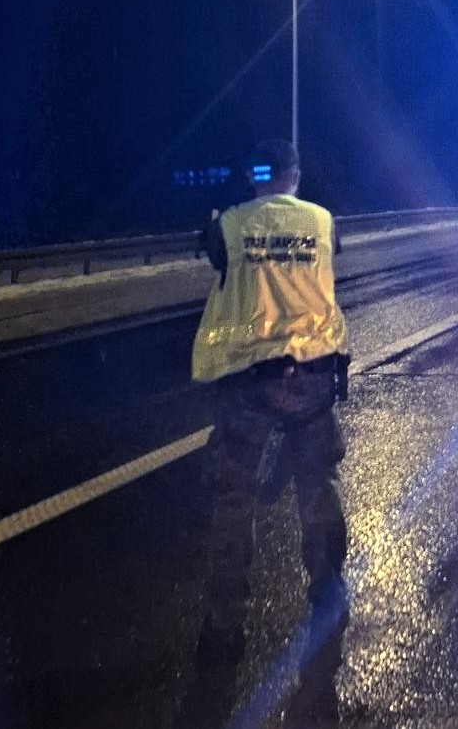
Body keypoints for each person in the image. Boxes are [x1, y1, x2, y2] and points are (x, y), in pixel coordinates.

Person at [179, 139, 351, 729]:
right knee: (317, 488)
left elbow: (216, 256)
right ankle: (327, 596)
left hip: (250, 381)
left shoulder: (229, 225)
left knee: (233, 499)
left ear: (256, 176)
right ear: (295, 174)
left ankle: (225, 623)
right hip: (312, 377)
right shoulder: (322, 222)